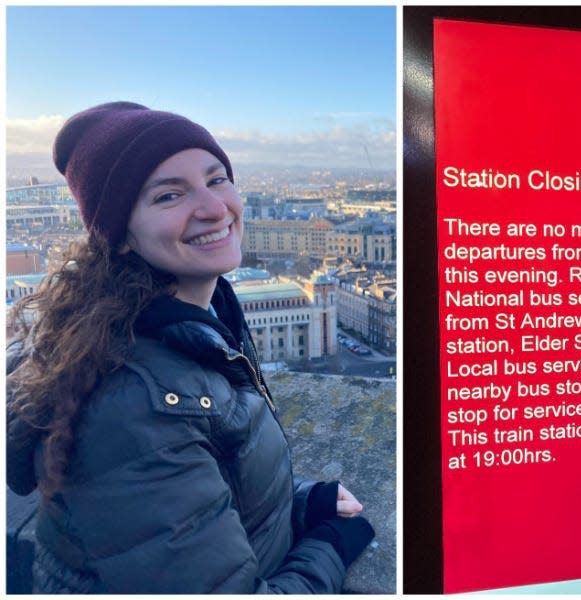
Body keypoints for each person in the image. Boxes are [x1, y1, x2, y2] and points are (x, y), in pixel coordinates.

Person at [6, 102, 375, 593]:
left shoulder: (174, 326)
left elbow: (193, 503)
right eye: (169, 195)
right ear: (119, 236)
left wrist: (300, 502)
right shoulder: (134, 403)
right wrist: (331, 543)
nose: (213, 207)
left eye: (217, 178)